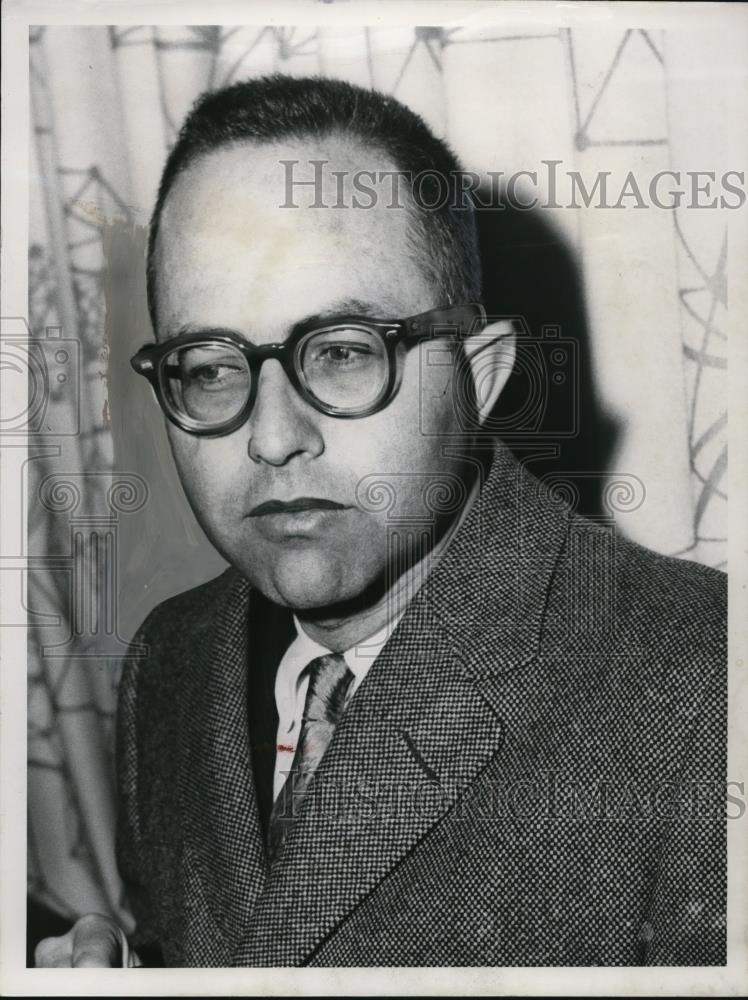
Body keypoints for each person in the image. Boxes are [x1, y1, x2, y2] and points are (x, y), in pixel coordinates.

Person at [35, 75, 727, 968]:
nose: (273, 438)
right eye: (209, 366)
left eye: (345, 353)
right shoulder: (172, 656)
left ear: (481, 375)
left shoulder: (705, 683)